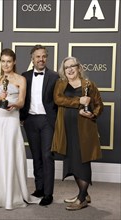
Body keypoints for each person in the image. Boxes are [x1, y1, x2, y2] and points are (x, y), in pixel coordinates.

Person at [0, 48, 40, 210]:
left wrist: (13, 104)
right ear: (0, 62)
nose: (5, 64)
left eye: (8, 61)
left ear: (14, 62)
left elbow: (22, 102)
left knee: (11, 153)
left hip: (11, 118)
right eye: (3, 61)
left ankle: (12, 194)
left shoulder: (20, 79)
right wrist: (0, 98)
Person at [51, 56, 104, 210]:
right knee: (72, 161)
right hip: (66, 130)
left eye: (73, 66)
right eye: (67, 67)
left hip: (85, 130)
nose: (70, 69)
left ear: (79, 67)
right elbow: (58, 100)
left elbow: (99, 105)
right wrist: (79, 101)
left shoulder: (89, 84)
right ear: (64, 70)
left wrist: (92, 114)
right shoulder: (60, 83)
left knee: (83, 161)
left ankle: (82, 198)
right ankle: (84, 192)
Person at [20, 45, 58, 206]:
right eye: (37, 57)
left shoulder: (55, 76)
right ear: (32, 59)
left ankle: (48, 194)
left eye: (43, 56)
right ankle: (40, 188)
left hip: (47, 121)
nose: (41, 59)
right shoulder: (25, 76)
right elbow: (22, 98)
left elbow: (59, 99)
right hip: (30, 121)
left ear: (46, 58)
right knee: (36, 156)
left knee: (47, 156)